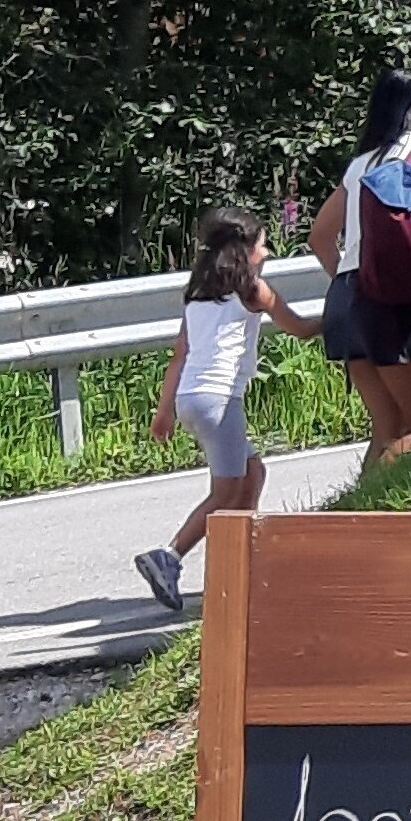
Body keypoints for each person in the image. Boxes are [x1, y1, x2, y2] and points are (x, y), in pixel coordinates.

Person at [139, 208, 322, 607]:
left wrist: (164, 411)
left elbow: (179, 356)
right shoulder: (253, 290)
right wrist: (334, 319)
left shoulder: (199, 294)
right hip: (219, 399)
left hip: (192, 397)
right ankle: (168, 557)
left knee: (252, 473)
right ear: (244, 251)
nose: (268, 252)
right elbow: (300, 329)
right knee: (226, 491)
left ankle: (243, 561)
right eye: (262, 245)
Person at [315, 68, 411, 461]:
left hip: (345, 300)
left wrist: (355, 281)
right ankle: (379, 512)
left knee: (389, 429)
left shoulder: (362, 162)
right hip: (384, 306)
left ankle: (351, 518)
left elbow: (319, 237)